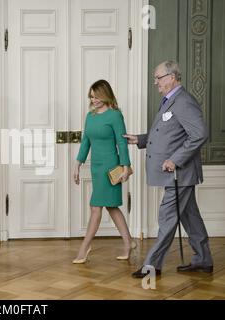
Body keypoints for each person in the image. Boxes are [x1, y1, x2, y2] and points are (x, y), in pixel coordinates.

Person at [124, 61, 213, 278]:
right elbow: (168, 133)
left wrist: (175, 159)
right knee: (190, 216)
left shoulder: (183, 101)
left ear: (172, 77)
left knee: (166, 217)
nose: (156, 82)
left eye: (159, 78)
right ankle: (203, 259)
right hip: (179, 175)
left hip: (179, 173)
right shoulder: (169, 101)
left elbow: (199, 134)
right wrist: (140, 139)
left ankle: (152, 266)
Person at [73, 79, 136, 264]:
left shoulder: (115, 116)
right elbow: (86, 141)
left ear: (106, 95)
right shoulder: (90, 116)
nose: (94, 100)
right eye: (91, 97)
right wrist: (77, 164)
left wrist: (125, 166)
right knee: (111, 206)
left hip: (110, 167)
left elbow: (122, 142)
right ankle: (129, 242)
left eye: (97, 96)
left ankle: (84, 247)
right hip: (96, 167)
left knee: (95, 207)